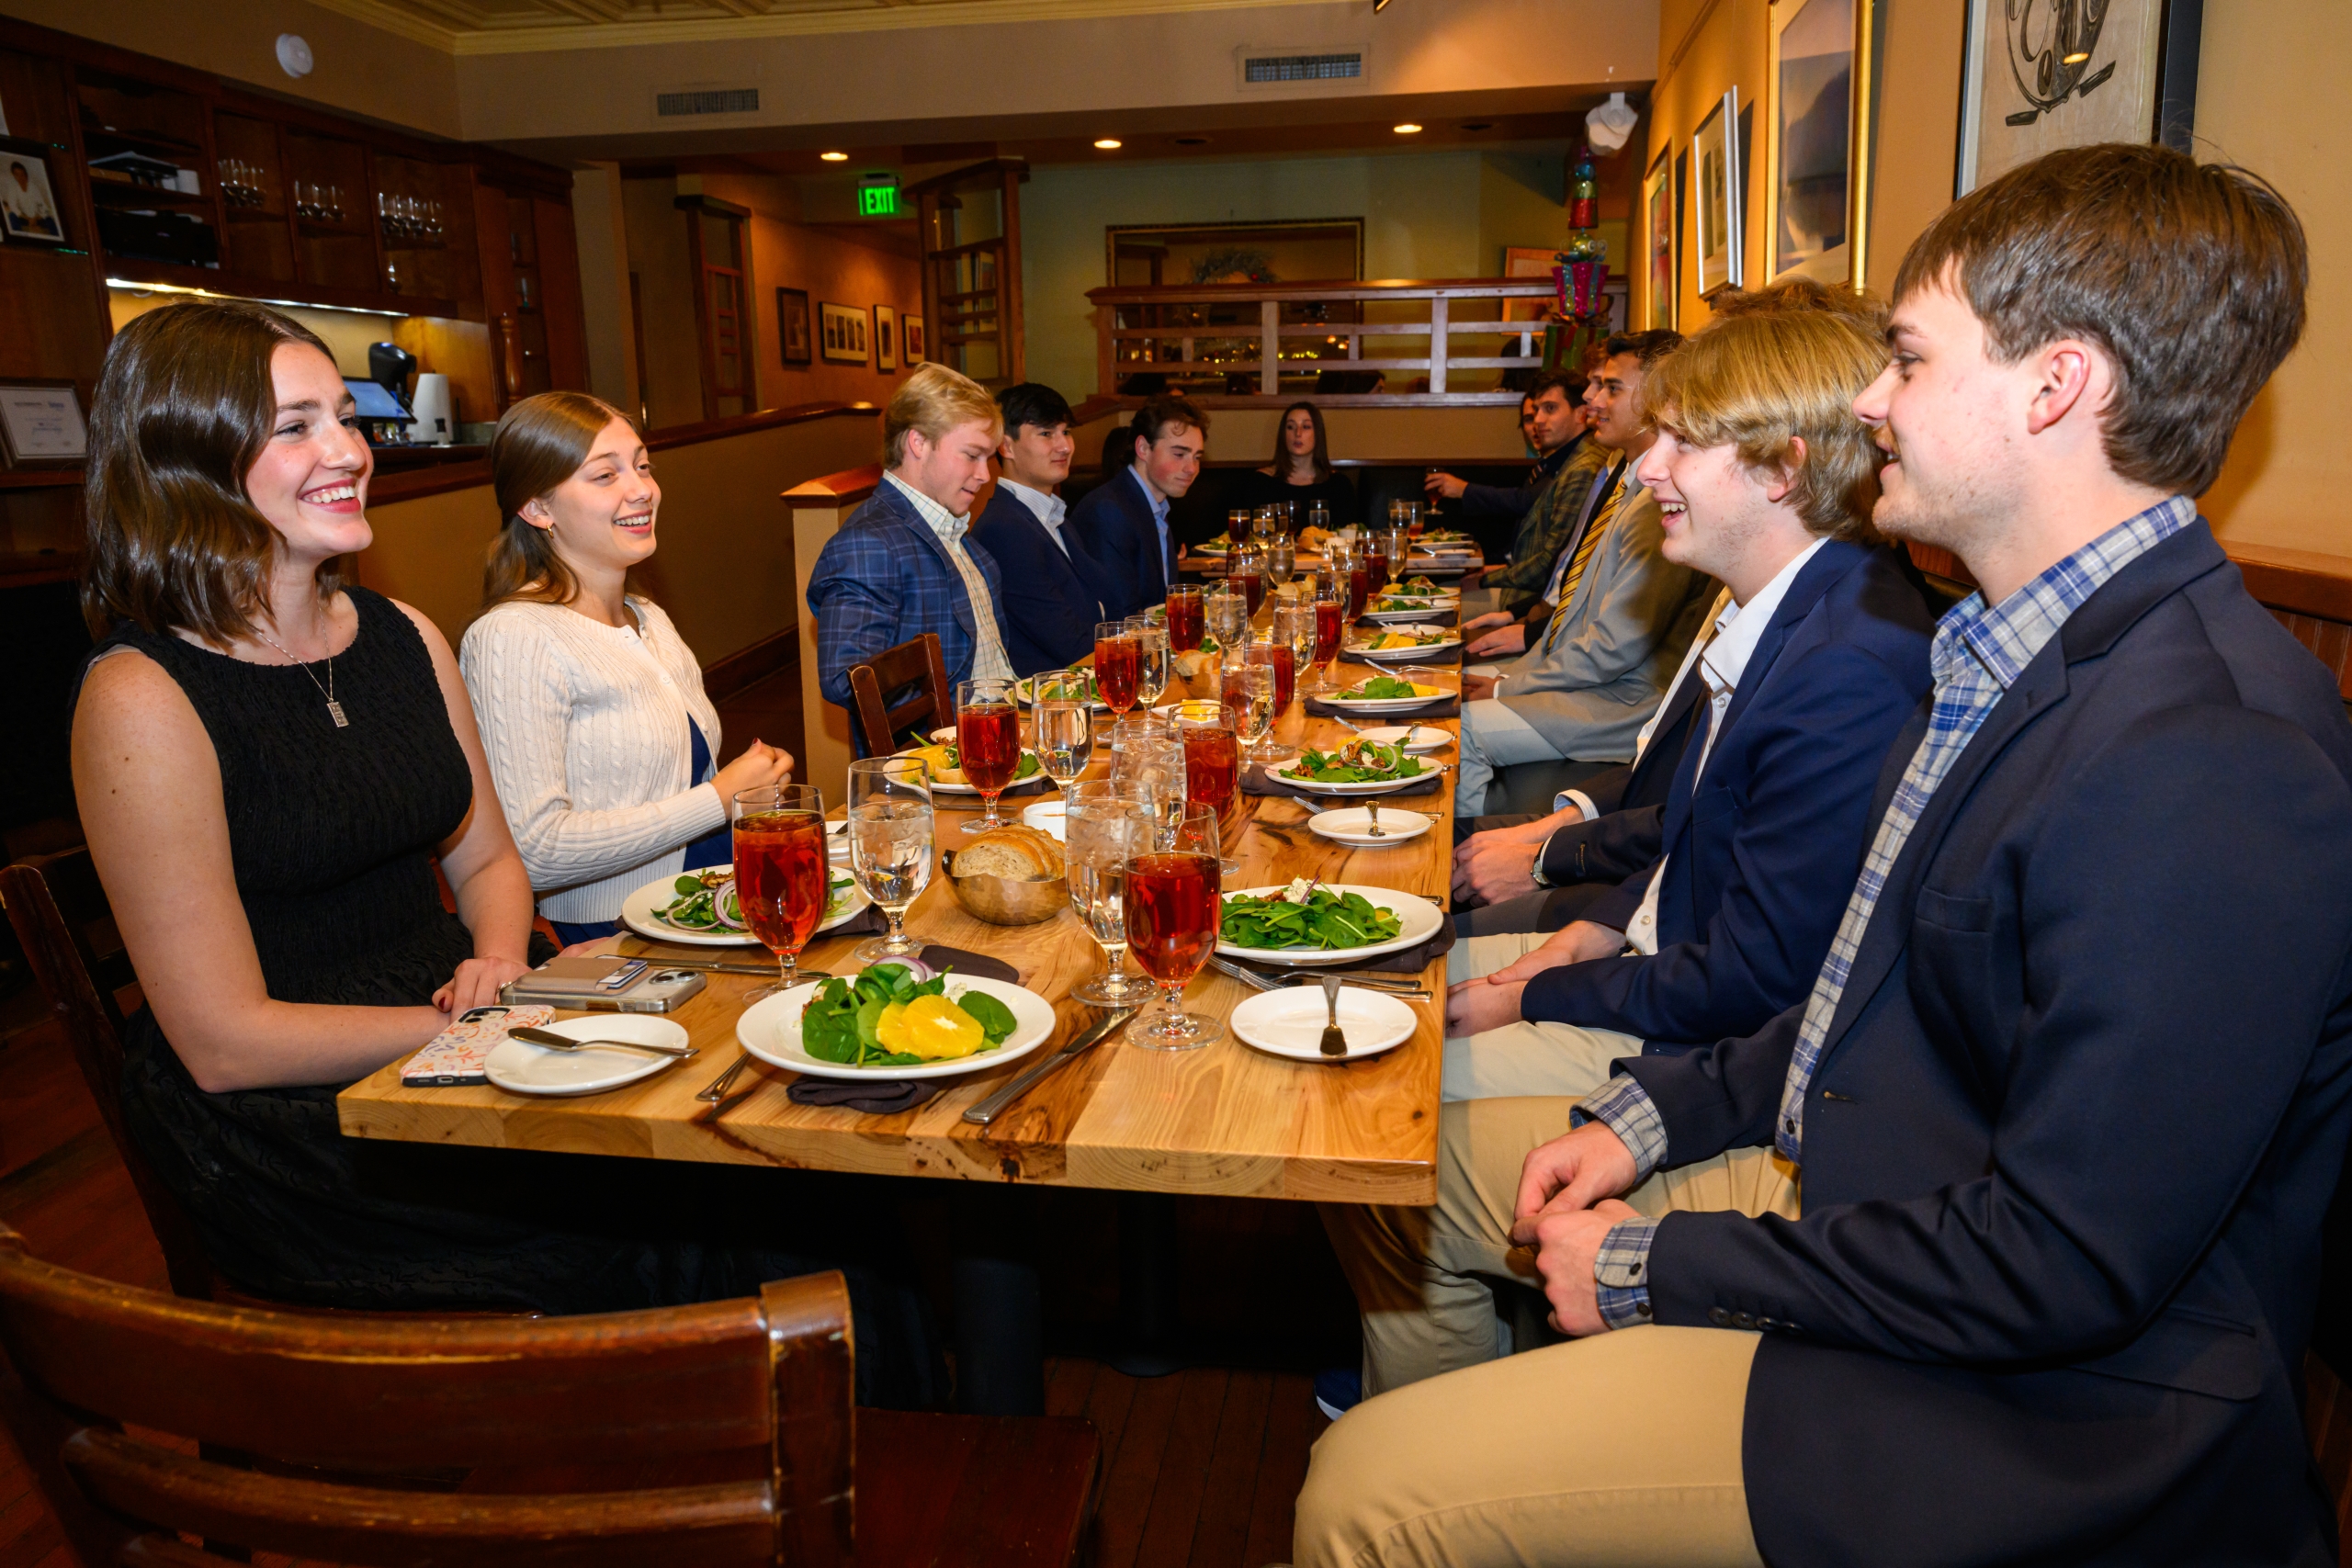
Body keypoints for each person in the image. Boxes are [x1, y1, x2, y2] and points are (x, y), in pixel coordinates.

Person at [1296, 143, 2352, 1568]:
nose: (1870, 400)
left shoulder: (2206, 754)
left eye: (1910, 360)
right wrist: (1656, 1115)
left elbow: (2065, 1262)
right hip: (1884, 1229)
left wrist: (1659, 1256)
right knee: (1392, 1168)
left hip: (2040, 1424)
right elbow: (1870, 998)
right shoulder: (2033, 654)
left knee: (1365, 1495)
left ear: (2057, 385)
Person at [68, 302, 939, 1404]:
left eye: (343, 417)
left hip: (451, 1024)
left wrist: (491, 961)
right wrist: (486, 1024)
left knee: (798, 1179)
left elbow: (490, 862)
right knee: (682, 1216)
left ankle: (898, 1476)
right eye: (293, 429)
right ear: (184, 459)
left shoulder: (399, 636)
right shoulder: (141, 694)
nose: (347, 452)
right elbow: (224, 1044)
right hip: (290, 1123)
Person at [1433, 300, 1935, 1107]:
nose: (1644, 468)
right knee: (1393, 991)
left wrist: (1528, 992)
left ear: (1783, 472)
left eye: (1685, 442)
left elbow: (1753, 980)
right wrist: (1579, 939)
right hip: (1652, 970)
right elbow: (1691, 839)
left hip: (1697, 1046)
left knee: (1396, 1086)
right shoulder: (1784, 607)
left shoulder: (1850, 664)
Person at [458, 392, 793, 947]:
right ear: (537, 508)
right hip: (618, 933)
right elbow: (533, 851)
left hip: (704, 899)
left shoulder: (649, 617)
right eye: (604, 475)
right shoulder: (512, 637)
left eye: (641, 466)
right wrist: (716, 799)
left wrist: (748, 792)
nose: (641, 489)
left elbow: (669, 786)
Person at [1453, 331, 1714, 817]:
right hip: (1593, 680)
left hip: (1622, 703)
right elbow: (1570, 606)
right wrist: (1517, 672)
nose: (1591, 399)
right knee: (1450, 681)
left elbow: (1615, 647)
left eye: (1610, 388)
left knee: (1460, 728)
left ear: (1659, 395)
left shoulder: (1658, 501)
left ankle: (1466, 873)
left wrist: (1510, 685)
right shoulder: (1625, 479)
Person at [808, 362, 1015, 731]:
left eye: (989, 458)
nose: (985, 475)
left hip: (999, 738)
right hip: (937, 770)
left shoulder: (954, 534)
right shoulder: (869, 543)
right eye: (972, 455)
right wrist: (945, 722)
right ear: (918, 443)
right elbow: (847, 678)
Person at [969, 381, 1124, 676]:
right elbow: (1068, 642)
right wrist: (1133, 653)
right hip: (1048, 702)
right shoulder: (1003, 528)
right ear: (1006, 445)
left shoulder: (1055, 518)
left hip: (1086, 681)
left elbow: (1109, 602)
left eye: (1066, 431)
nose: (1064, 446)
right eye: (1046, 433)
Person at [1443, 369, 1606, 627]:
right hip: (1525, 595)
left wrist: (1487, 580)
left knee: (1434, 611)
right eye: (1537, 410)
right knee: (1430, 600)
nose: (1539, 420)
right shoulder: (1564, 461)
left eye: (1550, 409)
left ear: (1581, 413)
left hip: (1532, 602)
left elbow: (1551, 564)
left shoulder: (1582, 469)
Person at [1069, 393, 1207, 618]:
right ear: (1143, 448)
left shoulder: (1155, 507)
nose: (1191, 468)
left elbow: (1160, 604)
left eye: (1197, 457)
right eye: (1179, 454)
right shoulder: (1109, 511)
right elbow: (1122, 617)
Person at [1232, 400, 1358, 526]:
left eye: (1306, 427)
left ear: (1318, 434)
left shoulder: (1338, 485)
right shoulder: (1259, 483)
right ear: (1283, 434)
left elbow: (1347, 537)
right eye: (1290, 427)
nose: (1298, 433)